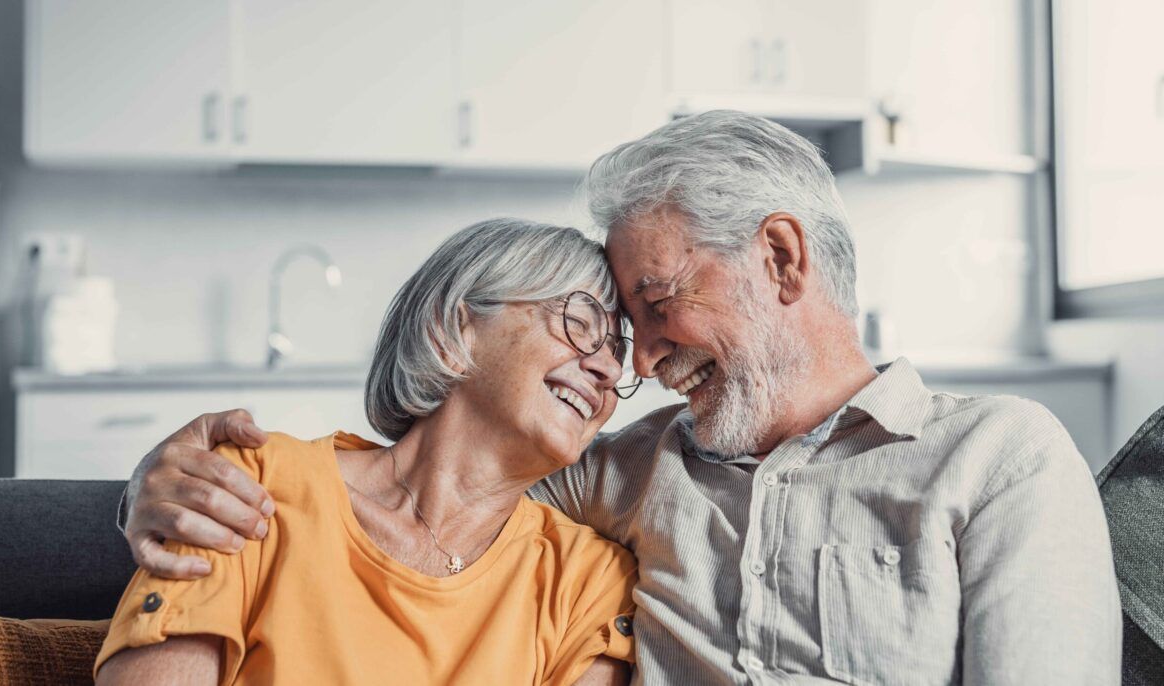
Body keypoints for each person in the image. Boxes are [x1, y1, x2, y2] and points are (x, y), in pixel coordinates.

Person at [123, 111, 1122, 684]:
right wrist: (152, 482)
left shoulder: (999, 454)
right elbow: (428, 485)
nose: (633, 362)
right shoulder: (615, 472)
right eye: (600, 327)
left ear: (778, 256)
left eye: (651, 303)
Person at [95, 219, 642, 686]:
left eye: (618, 353)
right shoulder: (253, 487)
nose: (609, 370)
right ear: (453, 329)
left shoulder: (588, 581)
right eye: (580, 324)